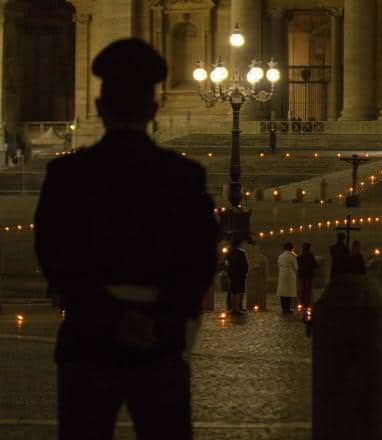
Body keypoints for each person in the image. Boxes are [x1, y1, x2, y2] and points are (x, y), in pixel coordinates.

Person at [34, 39, 218, 440]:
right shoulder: (184, 176)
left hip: (88, 338)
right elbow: (201, 260)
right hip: (160, 341)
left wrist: (109, 318)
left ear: (99, 108)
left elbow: (54, 258)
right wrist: (161, 319)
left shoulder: (67, 176)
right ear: (153, 109)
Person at [225, 238, 249, 313]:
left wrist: (228, 272)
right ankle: (237, 308)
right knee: (238, 291)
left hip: (232, 274)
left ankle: (232, 308)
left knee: (232, 291)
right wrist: (245, 272)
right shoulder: (241, 253)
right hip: (240, 274)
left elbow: (227, 263)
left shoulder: (229, 252)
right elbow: (245, 264)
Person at [276, 242, 298, 314]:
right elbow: (296, 266)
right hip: (290, 273)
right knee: (289, 291)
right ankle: (288, 308)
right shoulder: (292, 256)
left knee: (282, 291)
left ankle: (283, 308)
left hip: (282, 273)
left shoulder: (281, 256)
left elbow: (278, 264)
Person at [297, 242, 317, 309]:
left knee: (302, 290)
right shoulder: (311, 256)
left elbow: (297, 265)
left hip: (302, 275)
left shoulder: (300, 256)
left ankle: (302, 303)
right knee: (308, 290)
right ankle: (307, 303)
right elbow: (315, 265)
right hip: (309, 275)